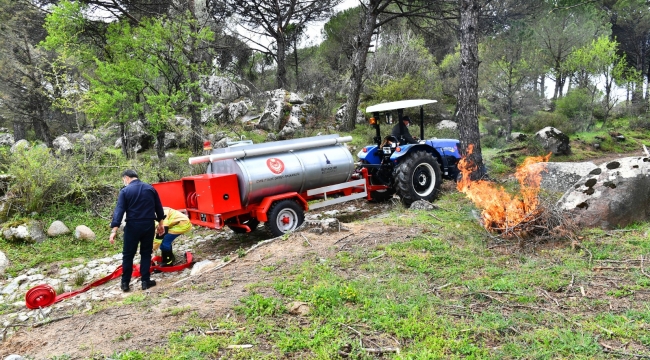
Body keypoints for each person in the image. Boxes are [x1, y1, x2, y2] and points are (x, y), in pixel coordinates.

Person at [109, 169, 165, 292]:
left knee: (128, 255)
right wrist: (161, 224)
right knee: (146, 253)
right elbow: (159, 208)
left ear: (127, 178)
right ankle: (145, 281)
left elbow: (119, 211)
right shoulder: (150, 188)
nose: (124, 181)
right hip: (148, 225)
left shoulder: (125, 191)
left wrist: (114, 231)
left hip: (132, 226)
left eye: (124, 179)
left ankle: (125, 283)